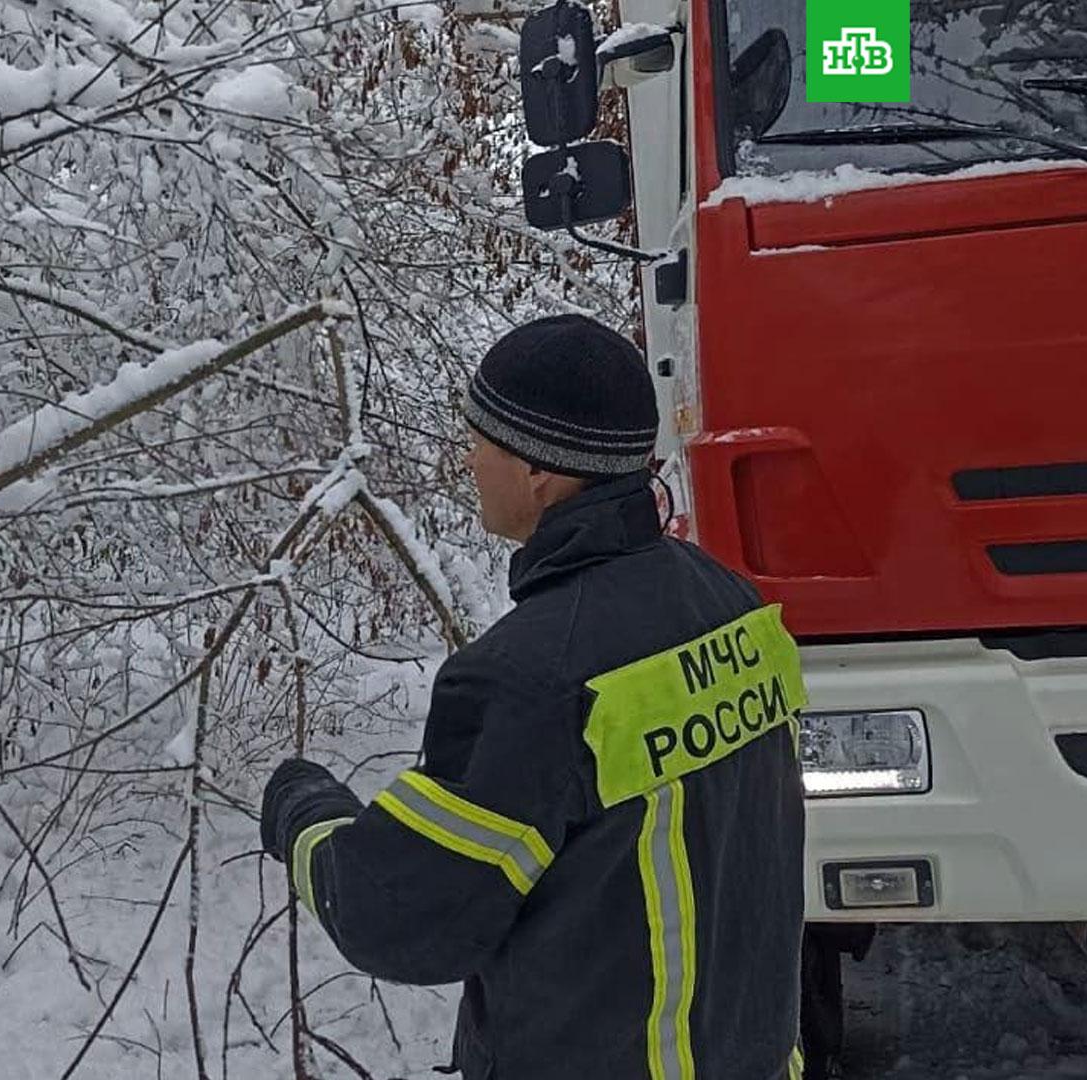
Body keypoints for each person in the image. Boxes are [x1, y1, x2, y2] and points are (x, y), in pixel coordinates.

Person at [260, 315, 808, 1080]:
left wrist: (303, 812)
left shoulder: (531, 677)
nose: (468, 460)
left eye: (481, 441)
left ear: (538, 470)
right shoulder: (727, 600)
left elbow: (403, 916)